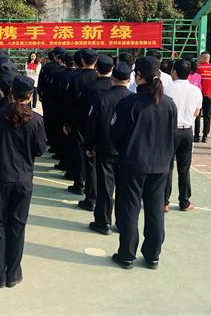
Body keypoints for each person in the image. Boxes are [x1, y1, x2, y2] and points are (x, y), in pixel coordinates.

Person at [110, 56, 177, 269]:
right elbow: (172, 136)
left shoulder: (129, 103)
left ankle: (127, 254)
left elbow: (115, 134)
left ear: (138, 76)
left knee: (130, 209)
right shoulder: (169, 104)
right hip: (160, 164)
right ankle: (152, 255)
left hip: (133, 163)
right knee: (155, 209)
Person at [0, 75, 47, 288]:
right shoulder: (36, 120)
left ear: (12, 92)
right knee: (17, 226)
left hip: (0, 177)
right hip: (23, 179)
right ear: (30, 95)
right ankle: (13, 273)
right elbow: (40, 149)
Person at [84, 60, 131, 235]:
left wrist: (89, 145)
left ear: (113, 77)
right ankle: (123, 222)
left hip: (105, 147)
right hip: (126, 150)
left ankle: (103, 222)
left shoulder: (101, 98)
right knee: (124, 188)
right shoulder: (133, 99)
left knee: (105, 186)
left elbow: (92, 125)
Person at [164, 60, 202, 212]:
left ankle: (164, 201)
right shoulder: (196, 90)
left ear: (174, 72)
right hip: (187, 130)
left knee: (167, 167)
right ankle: (184, 201)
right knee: (184, 168)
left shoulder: (167, 88)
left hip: (170, 130)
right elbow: (196, 112)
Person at [64, 49, 99, 206]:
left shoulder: (75, 77)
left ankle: (79, 182)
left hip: (79, 121)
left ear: (83, 60)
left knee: (79, 152)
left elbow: (69, 102)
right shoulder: (98, 78)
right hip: (95, 123)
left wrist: (68, 122)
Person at [194, 52, 211, 143]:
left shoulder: (198, 69)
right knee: (207, 116)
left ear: (203, 57)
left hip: (199, 95)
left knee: (197, 115)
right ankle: (205, 136)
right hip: (209, 96)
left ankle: (196, 135)